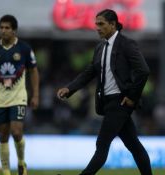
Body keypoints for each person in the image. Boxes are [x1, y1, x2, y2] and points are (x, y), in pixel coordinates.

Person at [57, 9, 153, 175]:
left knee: (102, 145)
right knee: (134, 146)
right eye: (96, 24)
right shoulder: (100, 47)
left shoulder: (126, 44)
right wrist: (70, 88)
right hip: (107, 103)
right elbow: (90, 72)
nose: (97, 28)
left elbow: (143, 71)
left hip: (120, 102)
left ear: (113, 24)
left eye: (101, 24)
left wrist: (132, 97)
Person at [0, 14, 39, 175]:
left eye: (7, 28)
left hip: (18, 96)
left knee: (16, 131)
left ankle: (21, 162)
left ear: (14, 31)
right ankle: (6, 172)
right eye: (1, 27)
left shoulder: (24, 49)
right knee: (2, 135)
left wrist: (35, 95)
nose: (3, 30)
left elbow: (34, 72)